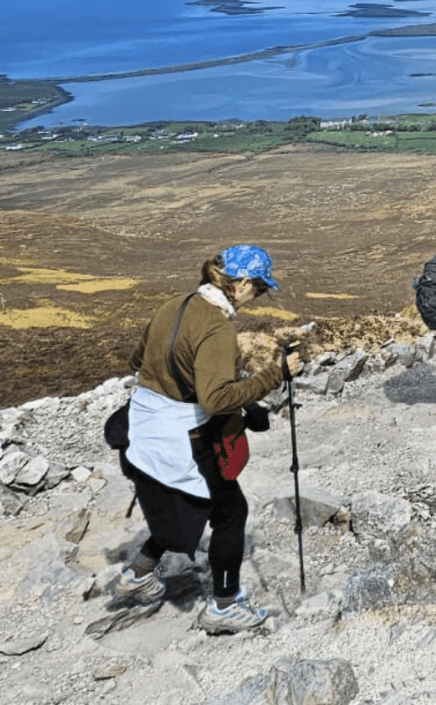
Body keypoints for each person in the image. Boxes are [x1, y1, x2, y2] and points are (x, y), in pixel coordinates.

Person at [115, 244, 301, 634]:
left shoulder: (173, 305)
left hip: (143, 430)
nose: (259, 297)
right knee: (231, 514)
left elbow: (137, 360)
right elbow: (215, 399)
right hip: (183, 438)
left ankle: (138, 573)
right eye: (261, 289)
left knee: (178, 502)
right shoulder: (216, 327)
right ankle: (225, 606)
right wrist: (275, 374)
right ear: (242, 283)